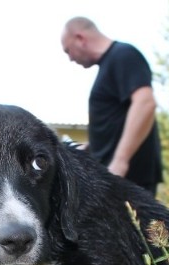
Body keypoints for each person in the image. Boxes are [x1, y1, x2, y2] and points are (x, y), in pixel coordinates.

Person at [60, 17, 163, 196]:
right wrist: (92, 146)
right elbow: (117, 122)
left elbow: (145, 103)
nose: (70, 59)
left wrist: (120, 161)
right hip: (112, 176)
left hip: (128, 178)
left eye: (68, 50)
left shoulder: (123, 55)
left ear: (80, 38)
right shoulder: (109, 65)